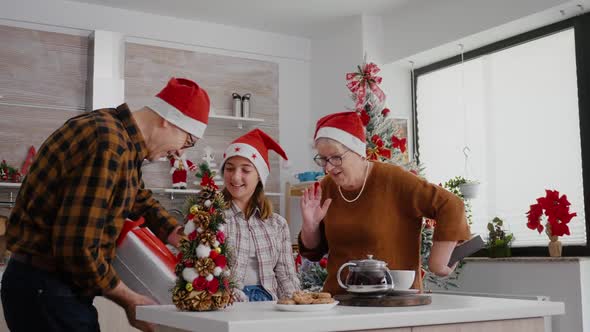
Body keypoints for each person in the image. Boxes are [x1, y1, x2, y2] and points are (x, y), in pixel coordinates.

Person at [1, 77, 210, 332]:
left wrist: (173, 232)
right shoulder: (109, 144)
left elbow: (136, 196)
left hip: (45, 286)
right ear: (168, 120)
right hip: (47, 288)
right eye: (187, 141)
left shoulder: (116, 135)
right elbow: (77, 246)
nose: (180, 153)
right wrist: (128, 298)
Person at [298, 111, 471, 295]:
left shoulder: (393, 179)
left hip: (393, 300)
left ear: (358, 152)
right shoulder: (325, 188)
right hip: (341, 300)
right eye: (323, 159)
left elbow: (450, 204)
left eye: (336, 157)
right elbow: (313, 253)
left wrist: (438, 262)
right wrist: (311, 226)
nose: (329, 167)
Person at [221, 129, 300, 301]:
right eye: (230, 169)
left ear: (259, 177)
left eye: (246, 170)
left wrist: (296, 303)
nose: (235, 177)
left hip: (269, 303)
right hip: (230, 303)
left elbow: (285, 275)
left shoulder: (277, 224)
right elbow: (209, 272)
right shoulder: (213, 219)